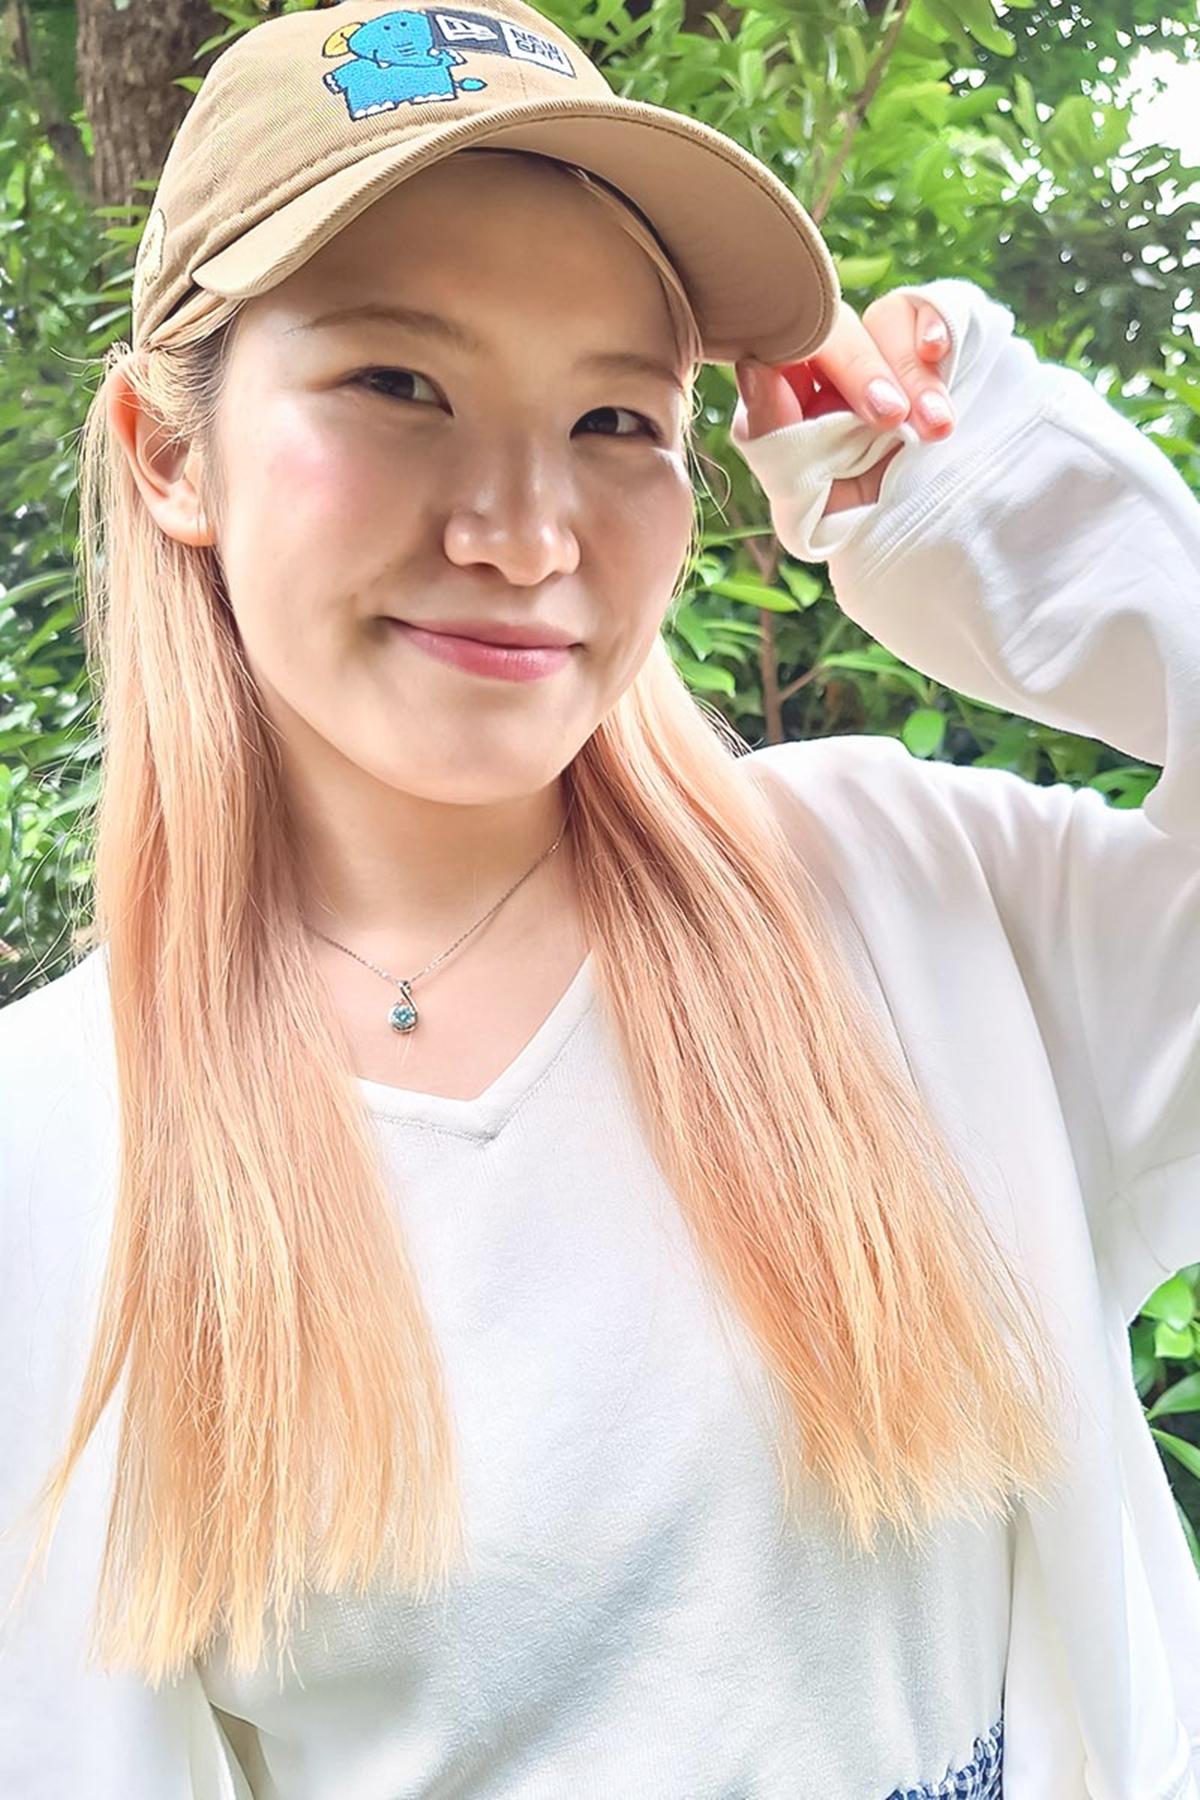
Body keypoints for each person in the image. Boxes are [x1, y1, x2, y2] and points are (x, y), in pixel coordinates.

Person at [0, 1, 1197, 1796]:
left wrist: (982, 490)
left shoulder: (906, 903)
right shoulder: (50, 1150)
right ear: (173, 453)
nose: (526, 529)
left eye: (618, 416)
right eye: (398, 385)